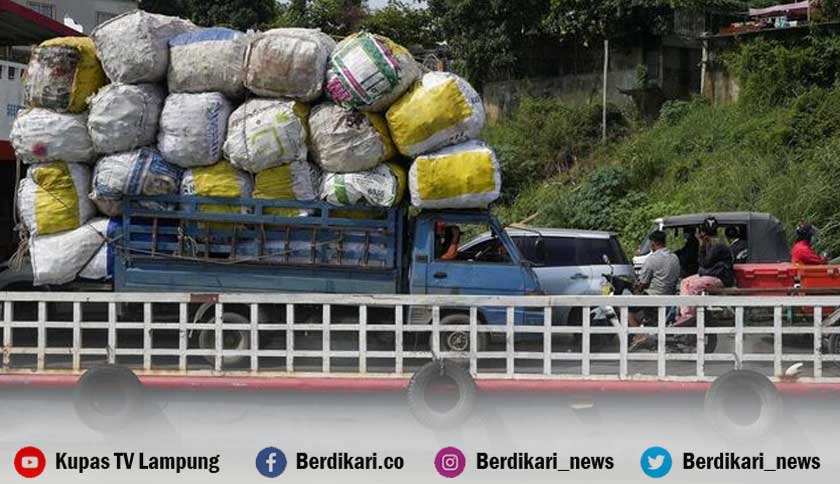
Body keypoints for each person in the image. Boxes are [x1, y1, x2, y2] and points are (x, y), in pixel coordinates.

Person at [673, 218, 734, 327]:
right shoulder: (712, 243)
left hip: (720, 277)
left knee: (692, 285)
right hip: (710, 274)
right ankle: (684, 314)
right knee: (684, 282)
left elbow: (704, 263)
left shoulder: (717, 245)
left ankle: (690, 316)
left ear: (704, 233)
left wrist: (701, 245)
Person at [628, 230, 680, 342]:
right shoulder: (674, 257)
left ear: (653, 243)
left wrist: (636, 286)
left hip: (653, 296)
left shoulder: (652, 259)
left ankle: (639, 335)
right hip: (670, 296)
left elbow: (643, 283)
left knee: (628, 310)